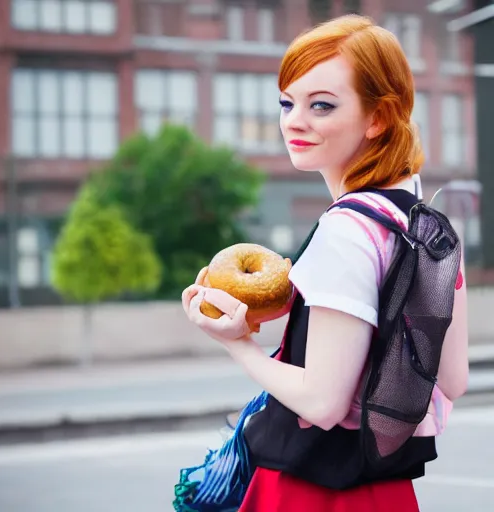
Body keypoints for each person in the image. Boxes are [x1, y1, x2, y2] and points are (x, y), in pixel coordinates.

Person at [181, 14, 469, 512]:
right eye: (287, 102)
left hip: (312, 491)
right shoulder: (427, 223)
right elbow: (452, 381)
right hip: (387, 490)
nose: (294, 120)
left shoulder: (346, 230)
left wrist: (239, 345)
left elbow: (321, 402)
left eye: (321, 105)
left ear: (378, 117)